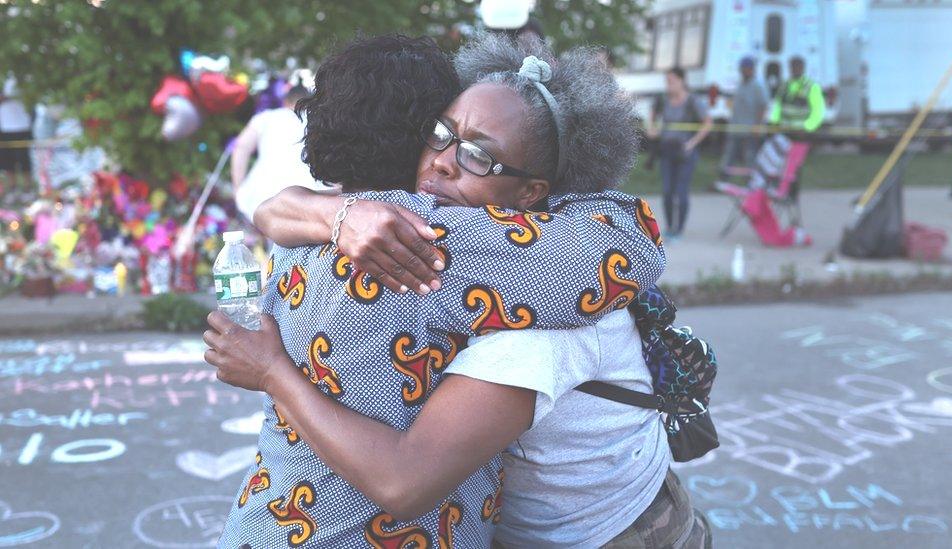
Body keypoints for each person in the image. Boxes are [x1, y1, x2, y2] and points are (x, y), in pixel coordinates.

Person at [204, 35, 712, 548]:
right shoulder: (382, 224)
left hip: (618, 532)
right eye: (440, 134)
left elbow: (633, 243)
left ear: (532, 193)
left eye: (478, 156)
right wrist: (332, 213)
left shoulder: (515, 275)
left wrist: (272, 370)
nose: (444, 161)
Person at [230, 84, 330, 225]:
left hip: (264, 195)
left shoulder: (266, 118)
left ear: (285, 101)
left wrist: (238, 188)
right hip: (312, 196)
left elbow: (241, 148)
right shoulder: (321, 121)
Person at [649, 67, 712, 239]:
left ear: (682, 80)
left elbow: (708, 123)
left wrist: (692, 142)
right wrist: (652, 129)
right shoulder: (663, 99)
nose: (668, 85)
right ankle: (670, 228)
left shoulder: (693, 101)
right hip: (667, 151)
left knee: (681, 192)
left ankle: (679, 229)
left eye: (672, 81)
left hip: (686, 153)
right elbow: (653, 116)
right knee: (667, 191)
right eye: (667, 81)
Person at [720, 56, 768, 172]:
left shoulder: (758, 85)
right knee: (729, 156)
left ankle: (751, 183)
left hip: (750, 129)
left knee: (750, 157)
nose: (743, 71)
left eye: (746, 68)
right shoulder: (740, 84)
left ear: (752, 69)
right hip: (736, 127)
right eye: (742, 68)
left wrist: (758, 126)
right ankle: (722, 181)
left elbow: (762, 106)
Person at [769, 56, 825, 135]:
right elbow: (777, 106)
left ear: (803, 68)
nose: (795, 69)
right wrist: (774, 123)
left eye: (798, 66)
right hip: (784, 131)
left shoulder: (811, 86)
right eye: (793, 66)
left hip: (802, 133)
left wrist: (808, 127)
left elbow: (818, 110)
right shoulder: (784, 85)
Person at [0, 74, 33, 192]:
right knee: (7, 162)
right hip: (4, 127)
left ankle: (28, 188)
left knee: (23, 160)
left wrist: (6, 97)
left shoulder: (23, 75)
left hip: (21, 126)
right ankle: (13, 189)